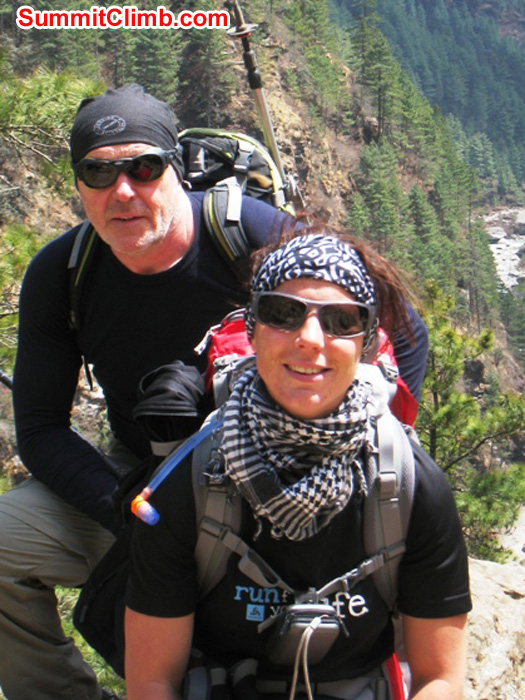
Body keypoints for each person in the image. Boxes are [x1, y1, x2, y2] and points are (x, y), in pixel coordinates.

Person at [0, 83, 427, 700]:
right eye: (99, 171)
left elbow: (402, 332)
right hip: (140, 481)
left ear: (176, 169)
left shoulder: (249, 236)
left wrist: (359, 448)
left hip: (278, 475)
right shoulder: (62, 274)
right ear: (78, 185)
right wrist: (123, 508)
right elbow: (40, 428)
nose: (124, 191)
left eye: (144, 168)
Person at [124, 228, 471, 700]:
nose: (310, 339)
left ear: (366, 340)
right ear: (253, 327)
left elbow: (440, 677)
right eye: (283, 313)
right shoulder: (193, 477)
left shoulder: (409, 484)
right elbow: (153, 680)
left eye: (341, 320)